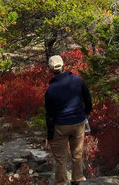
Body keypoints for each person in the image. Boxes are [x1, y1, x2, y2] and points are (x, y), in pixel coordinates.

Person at [44, 54, 92, 185]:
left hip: (60, 126)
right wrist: (85, 113)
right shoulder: (78, 80)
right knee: (77, 154)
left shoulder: (50, 90)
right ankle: (78, 179)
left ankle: (61, 182)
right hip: (78, 123)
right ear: (64, 66)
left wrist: (49, 135)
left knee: (60, 159)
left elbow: (50, 115)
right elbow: (88, 98)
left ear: (50, 69)